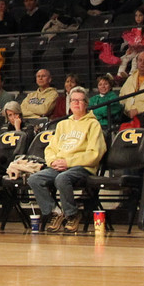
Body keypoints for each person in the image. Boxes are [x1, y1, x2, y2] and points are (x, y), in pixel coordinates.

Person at [28, 87, 106, 233]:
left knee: (62, 179)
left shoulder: (93, 124)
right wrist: (52, 162)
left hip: (82, 167)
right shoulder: (62, 124)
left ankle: (72, 214)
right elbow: (50, 149)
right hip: (59, 165)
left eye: (80, 100)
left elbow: (95, 154)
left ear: (86, 103)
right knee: (34, 179)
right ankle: (56, 212)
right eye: (73, 100)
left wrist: (68, 162)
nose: (76, 103)